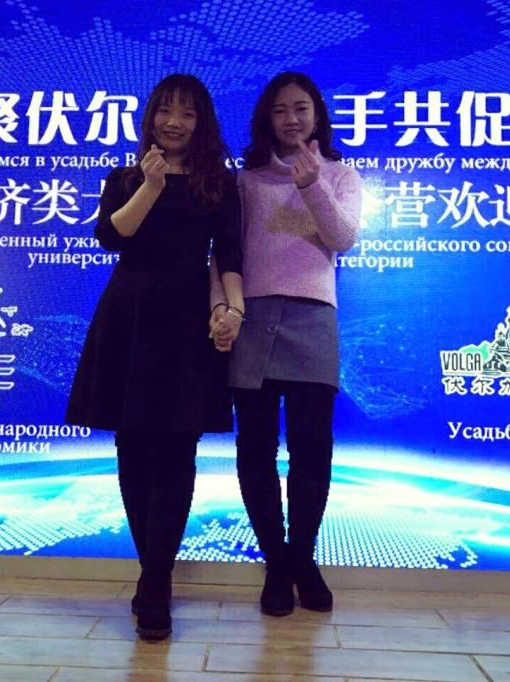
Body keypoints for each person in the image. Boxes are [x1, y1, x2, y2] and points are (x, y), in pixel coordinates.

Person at [67, 74, 244, 640]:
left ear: (202, 122)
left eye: (187, 114)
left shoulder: (220, 183)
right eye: (166, 111)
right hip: (129, 316)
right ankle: (154, 577)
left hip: (188, 320)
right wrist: (151, 184)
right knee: (133, 447)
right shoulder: (124, 178)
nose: (175, 122)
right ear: (150, 118)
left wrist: (233, 311)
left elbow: (230, 256)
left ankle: (155, 581)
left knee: (176, 449)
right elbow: (112, 237)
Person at [210, 72, 361, 616]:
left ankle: (304, 558)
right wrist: (223, 308)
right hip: (251, 317)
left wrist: (312, 184)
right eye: (280, 110)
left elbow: (343, 238)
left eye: (301, 108)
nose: (291, 119)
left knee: (312, 449)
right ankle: (276, 562)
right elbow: (224, 253)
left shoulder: (340, 174)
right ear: (265, 119)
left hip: (313, 319)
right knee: (255, 449)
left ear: (317, 115)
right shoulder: (244, 181)